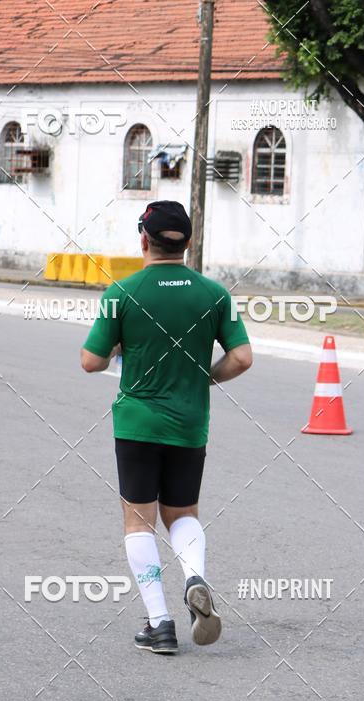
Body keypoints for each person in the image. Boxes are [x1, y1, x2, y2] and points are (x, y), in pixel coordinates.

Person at [81, 200, 252, 654]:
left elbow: (90, 362)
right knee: (183, 513)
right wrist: (205, 376)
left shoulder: (122, 292)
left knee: (139, 518)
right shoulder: (215, 294)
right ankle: (194, 576)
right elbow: (242, 357)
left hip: (137, 422)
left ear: (144, 241)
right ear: (188, 243)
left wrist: (119, 343)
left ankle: (160, 623)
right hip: (190, 422)